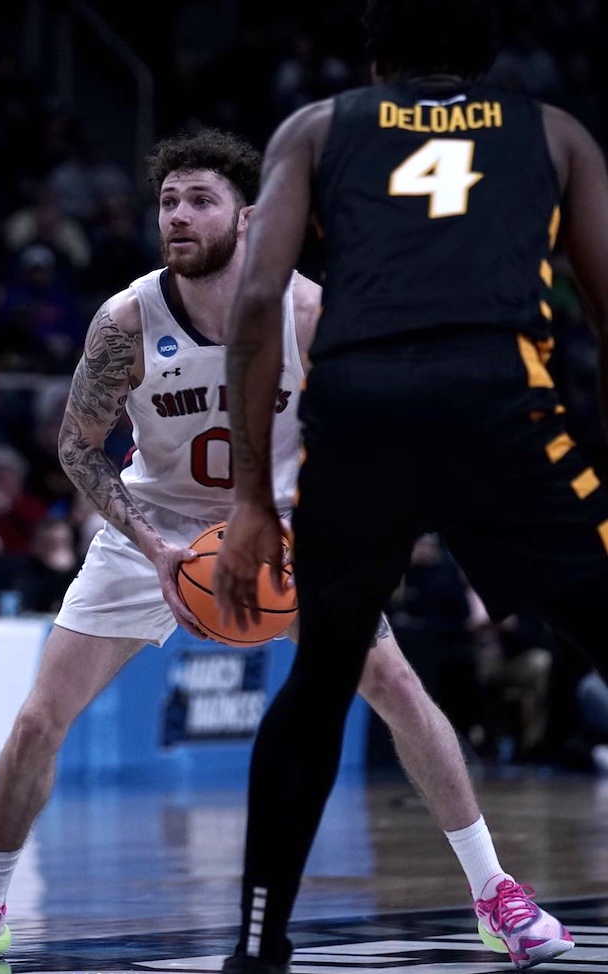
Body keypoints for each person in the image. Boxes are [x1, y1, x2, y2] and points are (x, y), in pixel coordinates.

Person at [0, 128, 564, 966]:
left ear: (247, 218)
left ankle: (494, 894)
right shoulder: (126, 321)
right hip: (158, 527)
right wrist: (153, 549)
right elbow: (78, 446)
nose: (178, 216)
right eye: (168, 202)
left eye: (199, 200)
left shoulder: (308, 311)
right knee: (39, 718)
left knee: (396, 682)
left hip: (281, 526)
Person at [211, 1, 608, 971]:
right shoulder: (555, 134)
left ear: (375, 56)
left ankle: (259, 948)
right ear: (487, 52)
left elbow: (256, 303)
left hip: (361, 407)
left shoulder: (315, 126)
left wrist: (252, 501)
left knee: (319, 679)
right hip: (498, 403)